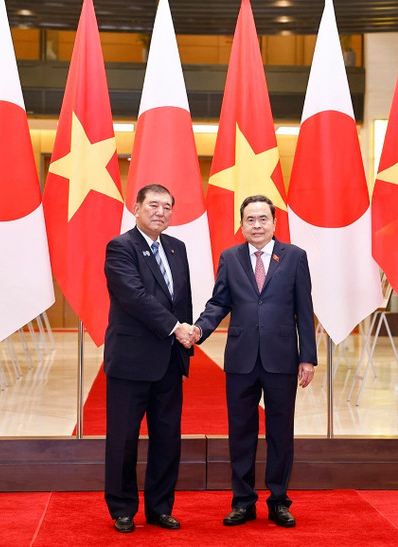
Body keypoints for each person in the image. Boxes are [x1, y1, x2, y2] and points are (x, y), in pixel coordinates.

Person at [189, 195, 316, 528]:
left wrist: (309, 358)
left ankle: (278, 501)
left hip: (282, 359)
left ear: (274, 223)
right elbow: (219, 303)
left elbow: (304, 310)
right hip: (241, 360)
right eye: (250, 219)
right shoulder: (230, 258)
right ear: (241, 224)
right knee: (241, 433)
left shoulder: (294, 257)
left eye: (263, 219)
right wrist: (199, 329)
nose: (256, 225)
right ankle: (243, 502)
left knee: (280, 432)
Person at [103, 184, 196, 533]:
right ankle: (123, 508)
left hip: (170, 360)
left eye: (167, 207)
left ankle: (160, 508)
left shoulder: (177, 248)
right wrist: (176, 328)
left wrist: (188, 333)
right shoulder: (121, 247)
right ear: (137, 207)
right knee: (123, 438)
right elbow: (135, 297)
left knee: (167, 438)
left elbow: (181, 299)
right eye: (153, 205)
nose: (160, 212)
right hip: (131, 361)